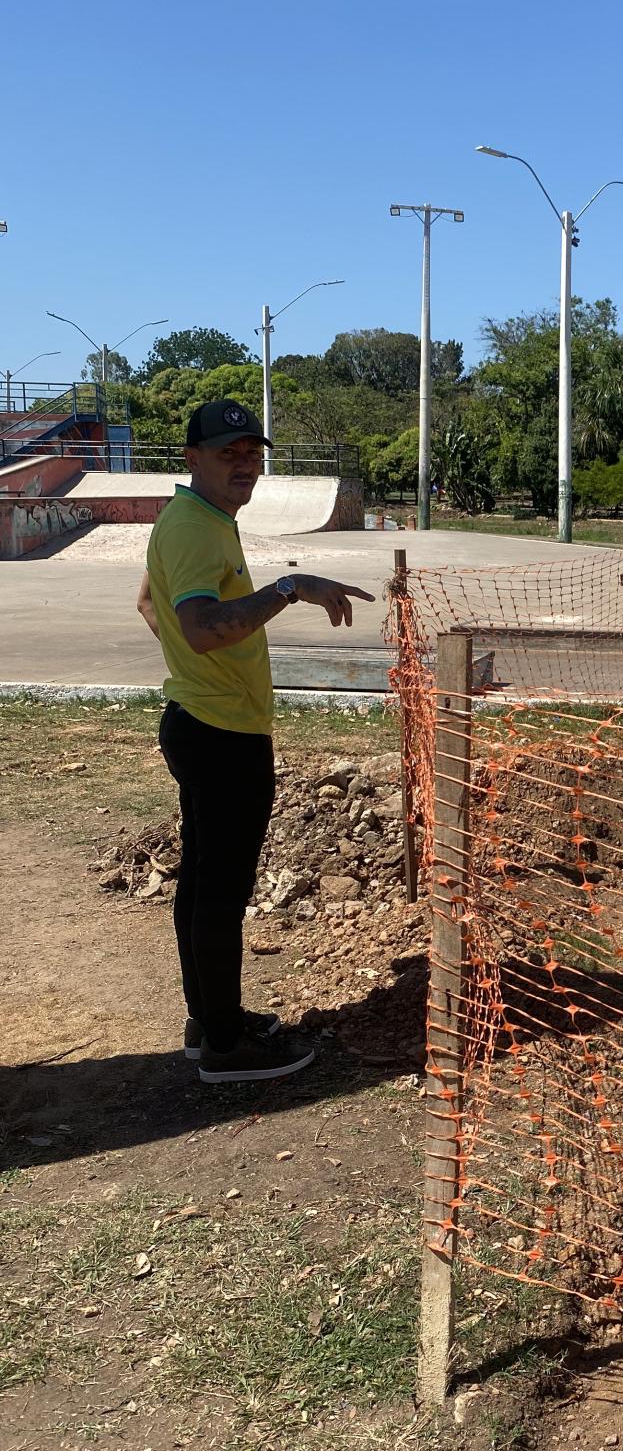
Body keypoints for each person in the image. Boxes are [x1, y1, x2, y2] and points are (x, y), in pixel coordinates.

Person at [136, 399, 374, 1084]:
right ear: (193, 458)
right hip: (220, 734)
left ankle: (210, 1019)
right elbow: (203, 627)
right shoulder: (194, 528)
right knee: (220, 891)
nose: (243, 464)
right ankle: (223, 1047)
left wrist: (195, 669)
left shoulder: (197, 518)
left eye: (251, 453)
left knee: (203, 882)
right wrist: (290, 587)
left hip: (204, 719)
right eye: (227, 453)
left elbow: (149, 602)